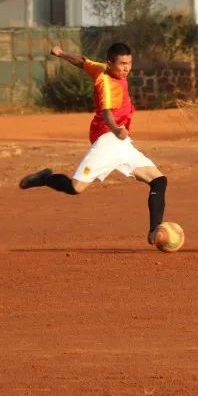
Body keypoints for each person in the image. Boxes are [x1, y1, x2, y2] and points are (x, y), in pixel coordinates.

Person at [19, 42, 169, 245]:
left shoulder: (100, 68)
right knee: (75, 188)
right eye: (122, 64)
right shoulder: (106, 83)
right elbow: (107, 112)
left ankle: (154, 232)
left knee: (158, 180)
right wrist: (116, 129)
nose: (126, 68)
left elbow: (82, 61)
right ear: (110, 63)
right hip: (107, 140)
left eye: (129, 63)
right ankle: (46, 178)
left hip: (122, 143)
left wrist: (62, 53)